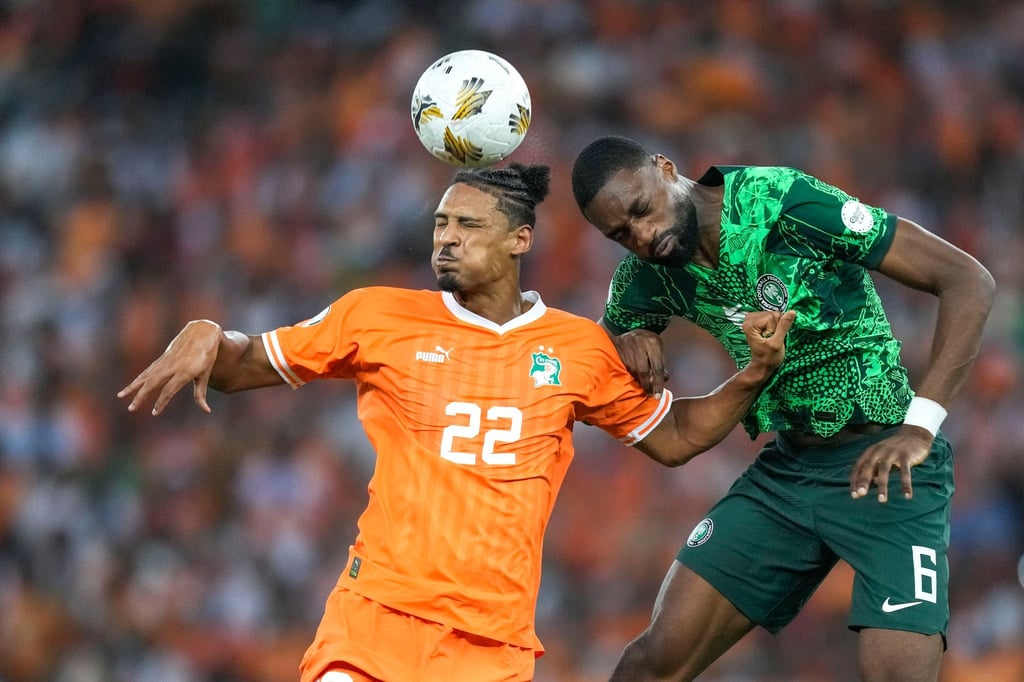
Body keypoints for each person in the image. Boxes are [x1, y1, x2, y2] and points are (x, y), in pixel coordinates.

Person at [118, 162, 793, 682]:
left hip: (489, 646)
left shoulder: (579, 348)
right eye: (441, 224)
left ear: (519, 238)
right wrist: (210, 332)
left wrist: (754, 373)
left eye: (467, 226)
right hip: (374, 622)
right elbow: (247, 365)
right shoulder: (377, 316)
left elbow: (674, 438)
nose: (446, 238)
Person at [571, 136, 995, 682]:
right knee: (651, 664)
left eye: (641, 210)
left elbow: (968, 279)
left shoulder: (783, 202)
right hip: (788, 474)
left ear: (665, 167)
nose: (644, 236)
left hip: (888, 466)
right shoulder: (647, 276)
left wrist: (920, 426)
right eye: (621, 235)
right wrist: (627, 334)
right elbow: (609, 338)